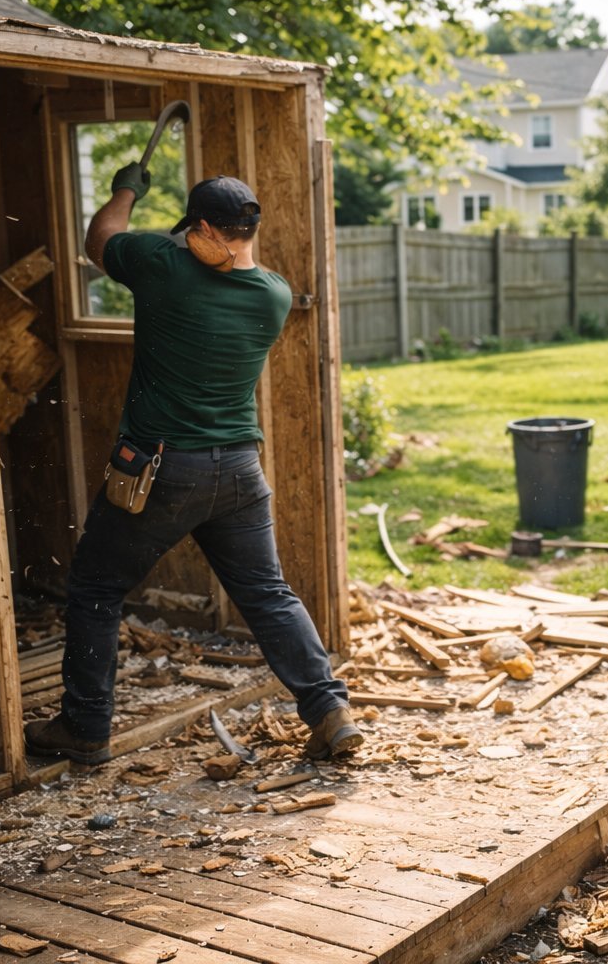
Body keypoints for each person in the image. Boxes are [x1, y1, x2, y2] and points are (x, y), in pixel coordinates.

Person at [24, 164, 362, 766]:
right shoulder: (274, 293)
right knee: (267, 594)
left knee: (96, 588)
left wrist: (126, 190)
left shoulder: (162, 268)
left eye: (192, 232)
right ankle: (329, 709)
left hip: (162, 470)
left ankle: (84, 728)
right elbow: (221, 265)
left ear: (202, 228)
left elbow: (99, 239)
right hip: (238, 473)